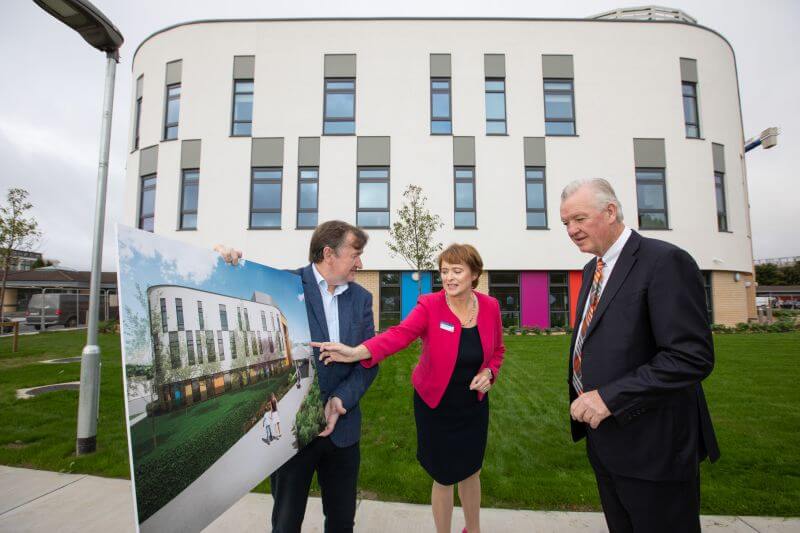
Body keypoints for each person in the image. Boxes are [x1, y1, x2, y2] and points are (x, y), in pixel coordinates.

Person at [559, 179, 720, 533]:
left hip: (655, 449)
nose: (571, 230)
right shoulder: (593, 269)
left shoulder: (664, 261)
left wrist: (609, 398)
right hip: (607, 441)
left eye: (579, 219)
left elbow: (690, 356)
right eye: (565, 223)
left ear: (611, 211)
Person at [314, 244, 505, 533]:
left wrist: (489, 371)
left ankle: (473, 529)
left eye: (457, 270)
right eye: (444, 271)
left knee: (472, 471)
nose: (449, 278)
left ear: (474, 274)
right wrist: (357, 352)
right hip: (435, 404)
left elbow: (497, 351)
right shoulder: (430, 305)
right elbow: (399, 335)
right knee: (443, 476)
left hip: (473, 406)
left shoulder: (490, 307)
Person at [216, 220, 377, 533]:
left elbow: (369, 362)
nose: (360, 262)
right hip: (292, 436)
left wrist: (340, 400)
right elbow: (234, 287)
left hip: (343, 432)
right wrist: (224, 261)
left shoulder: (361, 299)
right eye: (355, 253)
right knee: (286, 523)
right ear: (329, 253)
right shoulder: (285, 285)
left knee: (342, 522)